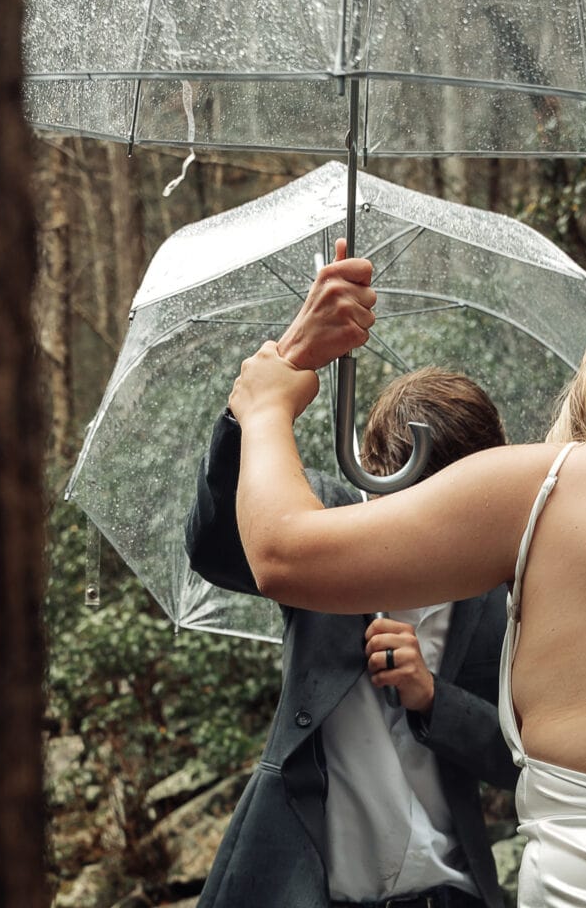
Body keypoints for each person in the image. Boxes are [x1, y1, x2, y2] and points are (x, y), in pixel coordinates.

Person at [228, 249, 586, 908]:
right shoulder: (540, 541)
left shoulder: (551, 498)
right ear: (370, 464)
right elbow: (227, 538)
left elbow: (281, 550)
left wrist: (269, 397)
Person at [186, 363, 519, 908]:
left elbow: (518, 756)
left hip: (452, 893)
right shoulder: (315, 523)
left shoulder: (492, 592)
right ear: (371, 467)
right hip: (308, 891)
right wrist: (254, 407)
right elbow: (213, 545)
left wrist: (434, 699)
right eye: (409, 507)